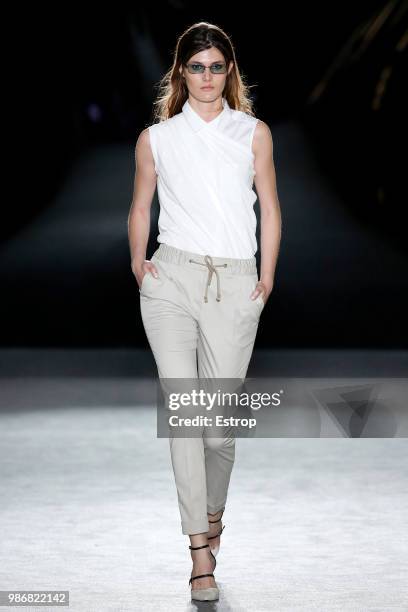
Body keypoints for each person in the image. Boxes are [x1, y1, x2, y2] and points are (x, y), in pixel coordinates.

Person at [128, 21, 281, 602]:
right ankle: (198, 551)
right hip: (172, 281)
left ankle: (213, 513)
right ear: (180, 73)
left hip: (235, 282)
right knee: (186, 416)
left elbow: (269, 204)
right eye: (197, 66)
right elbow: (141, 205)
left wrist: (265, 278)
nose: (208, 76)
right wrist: (141, 263)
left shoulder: (253, 133)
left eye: (217, 66)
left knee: (217, 430)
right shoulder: (156, 139)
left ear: (230, 72)